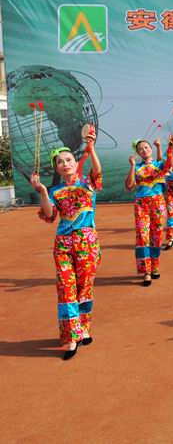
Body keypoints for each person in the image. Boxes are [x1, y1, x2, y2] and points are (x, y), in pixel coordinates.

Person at [30, 130, 102, 360]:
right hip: (63, 244)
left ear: (75, 163)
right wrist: (43, 191)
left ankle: (84, 328)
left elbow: (97, 171)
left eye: (69, 159)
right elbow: (49, 215)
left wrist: (91, 149)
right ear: (57, 168)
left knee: (84, 287)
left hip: (87, 241)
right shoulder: (55, 191)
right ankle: (71, 338)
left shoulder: (88, 183)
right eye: (60, 162)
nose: (65, 163)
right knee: (66, 288)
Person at [126, 138, 173, 286]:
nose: (144, 150)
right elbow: (129, 186)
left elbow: (168, 165)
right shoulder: (137, 167)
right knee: (142, 236)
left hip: (158, 202)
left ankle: (154, 266)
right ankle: (146, 271)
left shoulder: (158, 165)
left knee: (157, 236)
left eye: (146, 147)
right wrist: (132, 166)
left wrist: (169, 149)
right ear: (138, 153)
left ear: (151, 149)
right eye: (141, 149)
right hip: (142, 204)